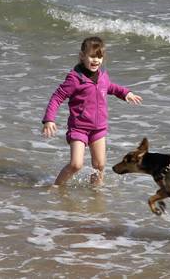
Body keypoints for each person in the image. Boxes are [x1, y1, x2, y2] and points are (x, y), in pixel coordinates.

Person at [42, 36, 142, 186]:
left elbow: (111, 87)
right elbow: (57, 97)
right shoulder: (75, 79)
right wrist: (49, 119)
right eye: (92, 56)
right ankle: (57, 187)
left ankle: (95, 192)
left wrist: (125, 93)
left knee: (100, 165)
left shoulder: (102, 76)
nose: (96, 60)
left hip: (98, 128)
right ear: (82, 56)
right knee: (76, 164)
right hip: (79, 128)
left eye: (99, 57)